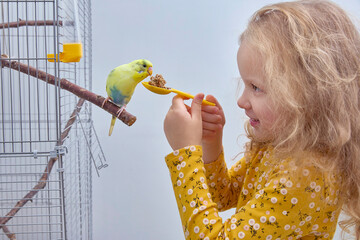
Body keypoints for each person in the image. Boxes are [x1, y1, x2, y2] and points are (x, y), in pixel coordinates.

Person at [163, 0, 360, 239]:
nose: (241, 101)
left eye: (256, 87)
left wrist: (185, 154)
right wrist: (210, 142)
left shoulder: (306, 173)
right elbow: (222, 196)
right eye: (245, 84)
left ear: (307, 95)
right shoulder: (277, 144)